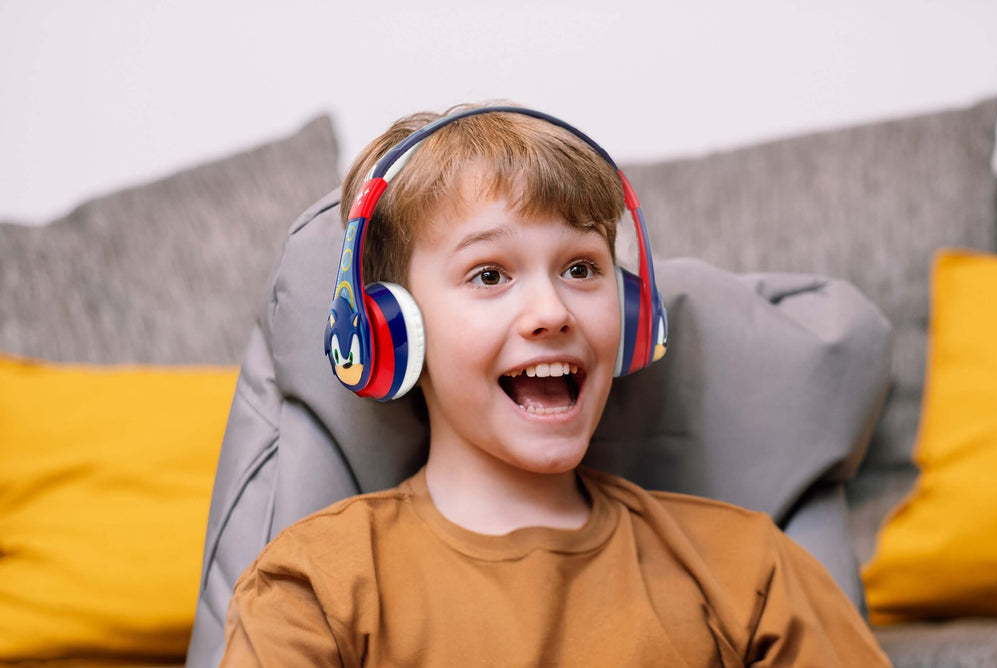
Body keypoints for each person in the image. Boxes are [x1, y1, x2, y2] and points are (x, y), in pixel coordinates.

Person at [218, 103, 892, 666]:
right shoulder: (313, 587)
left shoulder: (749, 570)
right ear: (390, 327)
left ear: (632, 316)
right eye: (489, 275)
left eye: (580, 269)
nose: (551, 312)